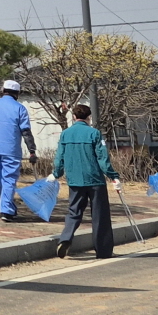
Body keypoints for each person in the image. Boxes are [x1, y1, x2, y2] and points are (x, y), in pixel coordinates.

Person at [51, 104, 117, 259]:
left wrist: (56, 173)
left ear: (74, 117)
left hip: (74, 180)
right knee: (100, 215)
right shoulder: (94, 133)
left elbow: (59, 157)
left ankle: (66, 238)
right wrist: (113, 175)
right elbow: (102, 158)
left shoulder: (66, 134)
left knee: (74, 212)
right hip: (95, 179)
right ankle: (103, 251)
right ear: (89, 117)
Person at [0, 80, 35, 222]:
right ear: (17, 93)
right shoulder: (20, 108)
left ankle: (8, 207)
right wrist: (32, 150)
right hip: (10, 149)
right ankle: (6, 210)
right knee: (9, 179)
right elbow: (26, 131)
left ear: (2, 90)